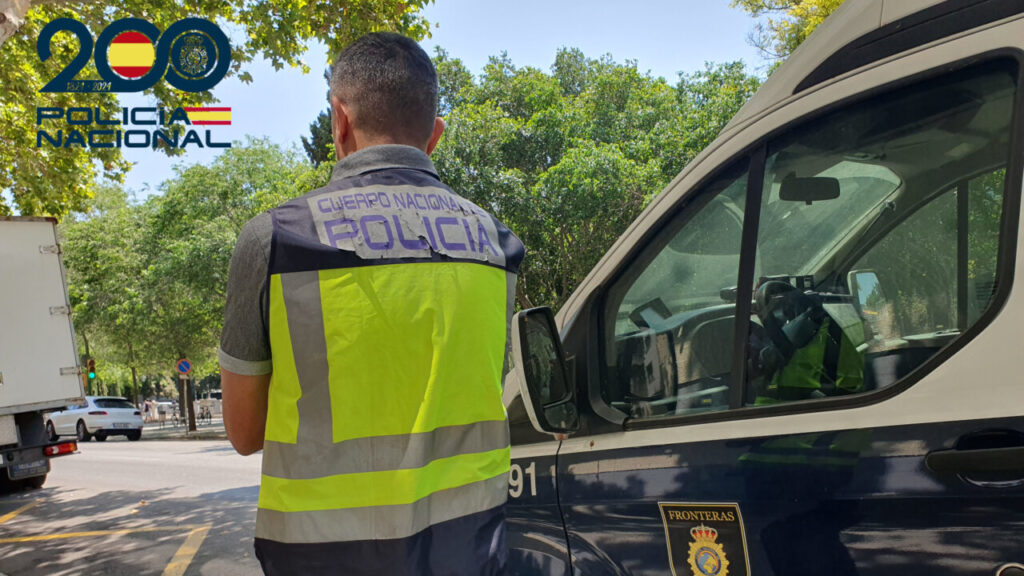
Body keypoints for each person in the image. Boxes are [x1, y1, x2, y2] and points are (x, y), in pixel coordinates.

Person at [219, 32, 524, 575]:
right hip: (468, 549)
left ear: (339, 121)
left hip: (321, 556)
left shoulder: (276, 238)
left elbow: (245, 434)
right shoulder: (496, 243)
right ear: (435, 134)